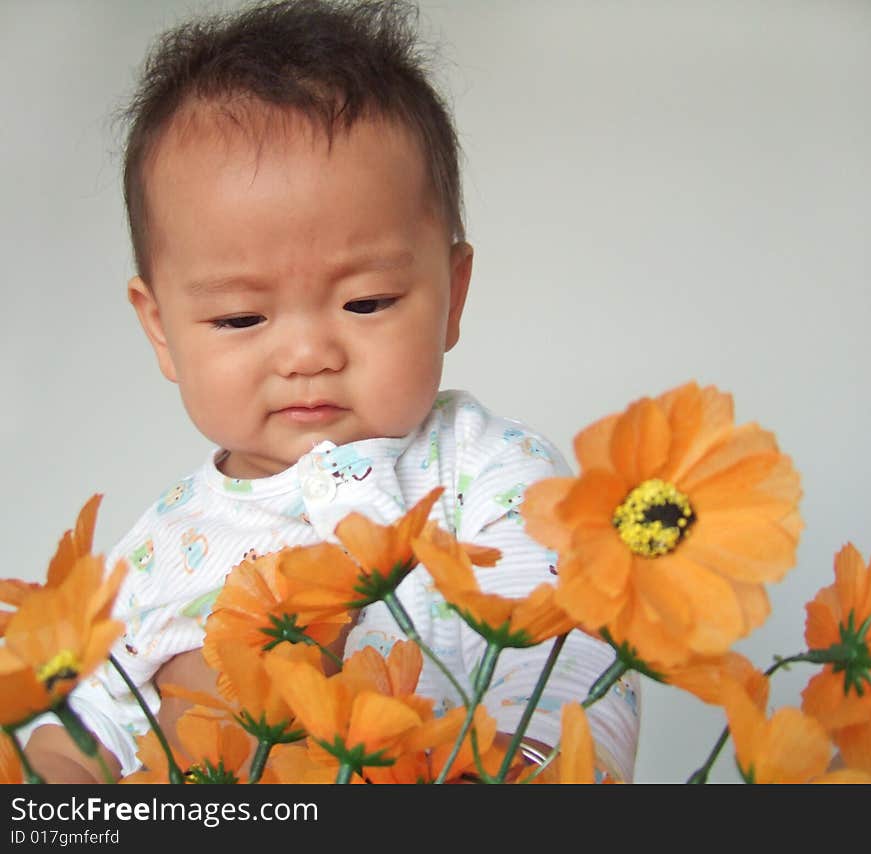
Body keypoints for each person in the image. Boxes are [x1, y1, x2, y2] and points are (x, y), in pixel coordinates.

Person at [24, 0, 639, 783]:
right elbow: (86, 721)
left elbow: (569, 655)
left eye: (367, 302)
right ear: (160, 329)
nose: (309, 353)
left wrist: (528, 763)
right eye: (242, 316)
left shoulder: (488, 472)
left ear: (452, 293)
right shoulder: (161, 545)